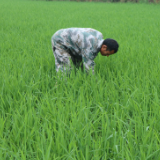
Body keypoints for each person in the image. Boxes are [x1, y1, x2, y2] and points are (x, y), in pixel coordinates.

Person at [51, 28, 119, 74]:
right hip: (60, 39)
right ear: (104, 47)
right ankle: (60, 84)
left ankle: (77, 76)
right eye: (108, 53)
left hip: (73, 42)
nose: (107, 56)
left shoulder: (99, 36)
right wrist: (94, 82)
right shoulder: (90, 45)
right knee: (65, 65)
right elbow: (89, 66)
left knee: (79, 63)